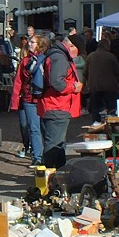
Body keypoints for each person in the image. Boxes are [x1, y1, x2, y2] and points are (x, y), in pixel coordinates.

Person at [38, 36, 83, 168]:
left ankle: (58, 176)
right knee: (53, 146)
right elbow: (57, 82)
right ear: (72, 47)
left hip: (54, 106)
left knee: (57, 144)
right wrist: (74, 87)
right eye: (77, 51)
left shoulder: (55, 54)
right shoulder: (60, 57)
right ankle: (49, 180)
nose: (77, 55)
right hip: (57, 106)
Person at [10, 34, 46, 164]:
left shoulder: (46, 60)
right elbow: (18, 82)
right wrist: (14, 102)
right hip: (28, 99)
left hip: (44, 98)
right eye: (30, 42)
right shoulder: (25, 61)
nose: (29, 44)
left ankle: (46, 156)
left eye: (33, 42)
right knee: (33, 128)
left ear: (40, 45)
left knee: (45, 129)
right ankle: (37, 157)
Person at [84, 36, 119, 122]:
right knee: (111, 108)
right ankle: (110, 125)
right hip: (109, 87)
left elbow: (85, 73)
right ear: (107, 46)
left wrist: (86, 85)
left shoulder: (90, 56)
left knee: (95, 109)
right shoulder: (111, 56)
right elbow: (118, 72)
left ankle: (97, 124)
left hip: (94, 87)